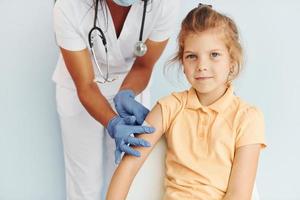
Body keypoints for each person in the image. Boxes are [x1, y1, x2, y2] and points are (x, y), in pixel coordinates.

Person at [106, 4, 266, 200]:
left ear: (232, 61)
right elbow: (128, 168)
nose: (202, 66)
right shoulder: (169, 107)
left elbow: (238, 194)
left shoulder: (248, 118)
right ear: (182, 63)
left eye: (214, 55)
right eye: (192, 56)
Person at [52, 0, 181, 199]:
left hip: (133, 81)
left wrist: (126, 93)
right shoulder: (69, 6)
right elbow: (85, 85)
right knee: (84, 183)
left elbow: (144, 65)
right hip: (82, 85)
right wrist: (112, 122)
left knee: (127, 177)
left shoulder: (166, 4)